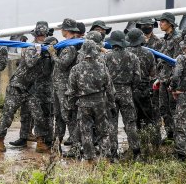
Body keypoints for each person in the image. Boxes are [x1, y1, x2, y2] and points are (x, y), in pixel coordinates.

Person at [0, 22, 53, 153]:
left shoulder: (46, 51)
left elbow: (47, 71)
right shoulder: (30, 48)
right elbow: (30, 62)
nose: (42, 38)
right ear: (37, 36)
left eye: (44, 35)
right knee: (8, 115)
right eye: (40, 35)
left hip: (30, 88)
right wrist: (39, 51)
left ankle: (40, 142)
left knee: (38, 115)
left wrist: (50, 55)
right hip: (17, 86)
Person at [66, 40, 113, 162]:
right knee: (103, 131)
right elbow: (109, 88)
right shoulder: (102, 66)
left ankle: (90, 159)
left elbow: (71, 91)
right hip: (100, 102)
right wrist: (111, 104)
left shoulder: (76, 69)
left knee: (85, 131)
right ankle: (106, 158)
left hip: (83, 103)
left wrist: (69, 106)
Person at [104, 30, 142, 158]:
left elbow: (103, 77)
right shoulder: (133, 57)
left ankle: (113, 154)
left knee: (112, 123)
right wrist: (130, 87)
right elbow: (138, 78)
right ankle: (136, 152)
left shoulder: (107, 57)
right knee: (130, 123)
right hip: (127, 92)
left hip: (111, 94)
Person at [51, 18, 80, 147]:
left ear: (67, 30)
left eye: (62, 28)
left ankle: (75, 143)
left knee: (67, 114)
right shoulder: (65, 44)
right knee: (58, 114)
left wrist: (53, 54)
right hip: (58, 86)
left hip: (64, 86)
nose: (61, 30)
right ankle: (57, 140)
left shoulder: (70, 47)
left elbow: (63, 64)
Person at [155, 12, 181, 141]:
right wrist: (159, 78)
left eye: (163, 22)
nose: (160, 24)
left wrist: (174, 81)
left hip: (171, 80)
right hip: (163, 79)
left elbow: (177, 62)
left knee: (174, 109)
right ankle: (170, 136)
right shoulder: (165, 39)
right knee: (163, 109)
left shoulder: (177, 38)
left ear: (170, 23)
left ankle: (178, 137)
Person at [126, 28, 159, 132]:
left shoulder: (125, 53)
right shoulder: (149, 53)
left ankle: (135, 144)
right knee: (149, 118)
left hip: (129, 89)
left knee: (132, 119)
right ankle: (153, 143)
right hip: (145, 89)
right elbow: (153, 74)